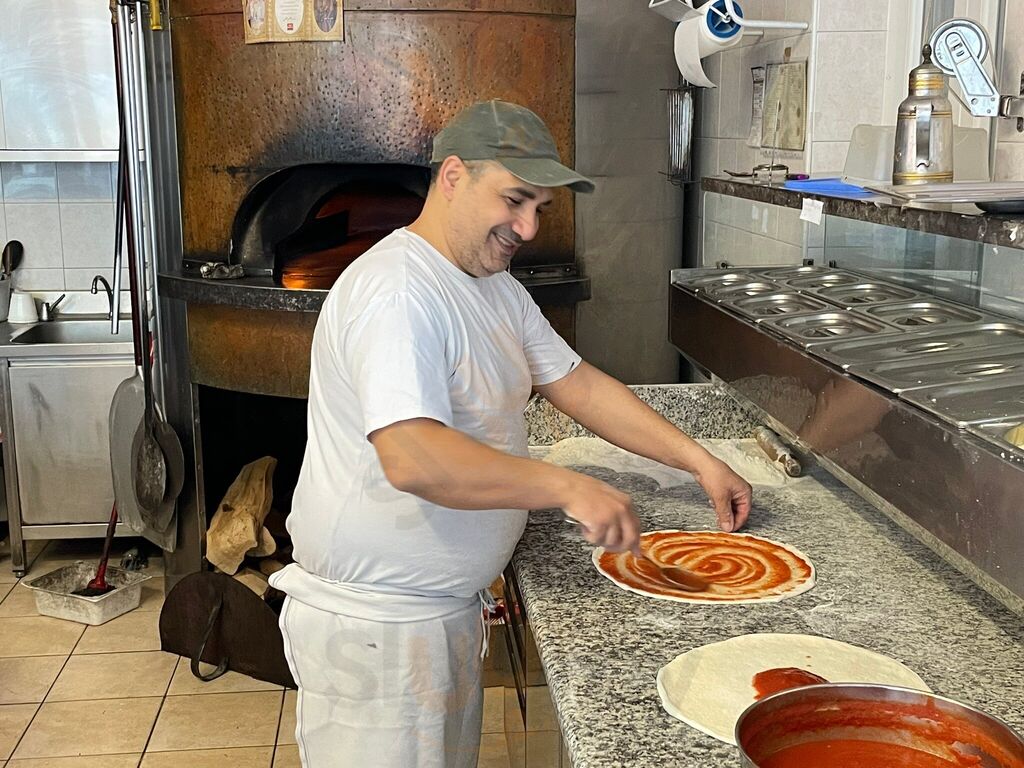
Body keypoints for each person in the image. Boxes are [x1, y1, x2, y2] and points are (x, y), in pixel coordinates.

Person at [269, 100, 752, 767]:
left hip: (435, 615)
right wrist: (564, 486)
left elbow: (577, 384)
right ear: (453, 177)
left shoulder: (492, 288)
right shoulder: (399, 291)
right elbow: (411, 456)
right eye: (515, 200)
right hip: (378, 629)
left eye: (540, 209)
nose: (526, 227)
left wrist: (700, 462)